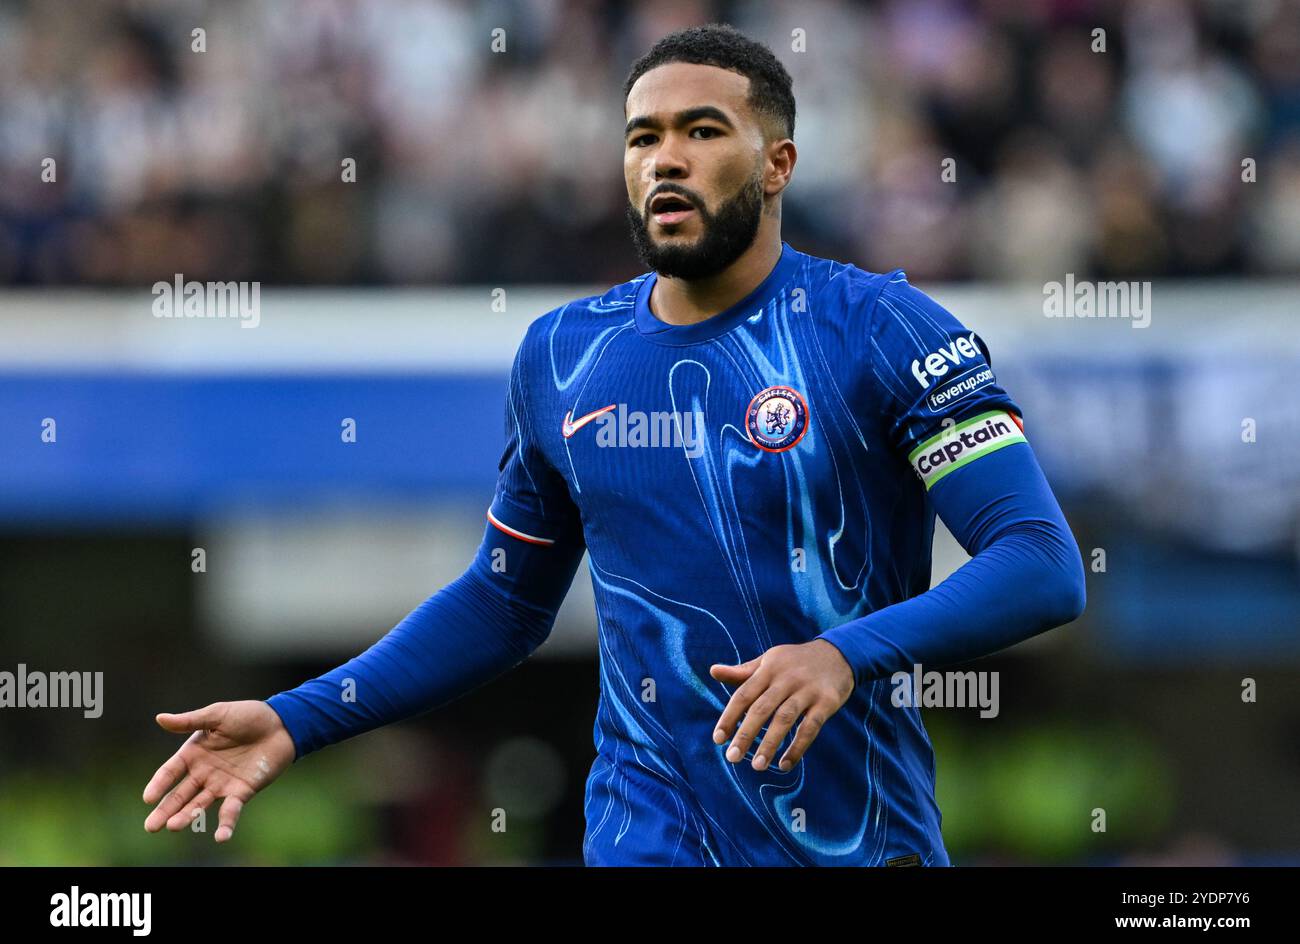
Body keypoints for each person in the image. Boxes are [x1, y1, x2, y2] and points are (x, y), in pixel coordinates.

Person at [144, 23, 1085, 866]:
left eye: (702, 131)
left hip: (855, 840)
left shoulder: (882, 328)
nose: (665, 158)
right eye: (643, 137)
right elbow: (504, 603)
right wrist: (296, 717)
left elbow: (1041, 563)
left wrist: (844, 654)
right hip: (644, 839)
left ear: (778, 163)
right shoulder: (563, 357)